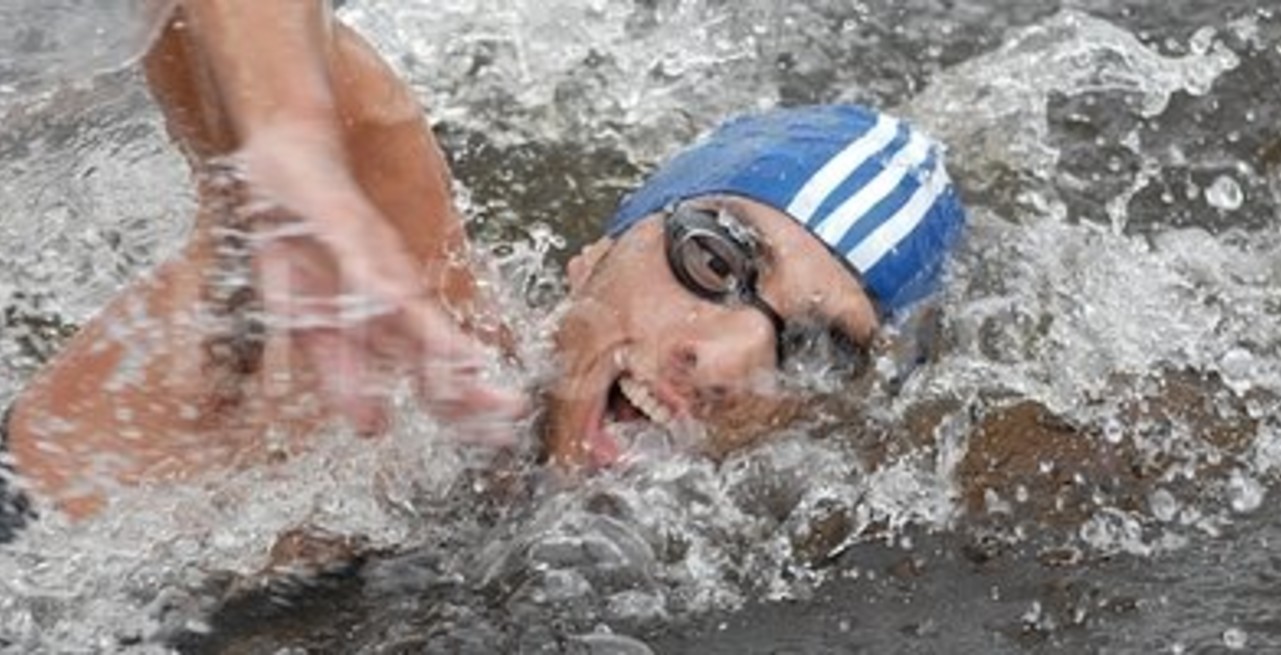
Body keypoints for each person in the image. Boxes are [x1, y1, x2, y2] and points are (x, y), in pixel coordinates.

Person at [1, 0, 964, 527]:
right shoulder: (392, 288)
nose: (723, 361)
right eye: (712, 258)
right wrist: (290, 150)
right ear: (597, 252)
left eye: (817, 351)